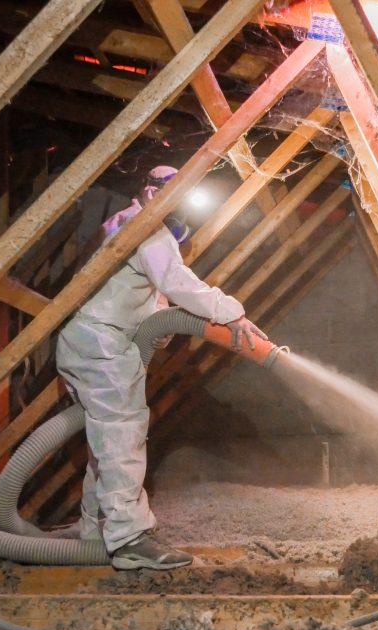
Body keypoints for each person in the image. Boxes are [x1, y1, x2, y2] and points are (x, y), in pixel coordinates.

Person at [56, 166, 267, 570]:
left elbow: (149, 294)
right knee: (122, 434)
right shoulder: (146, 228)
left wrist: (160, 317)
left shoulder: (122, 223)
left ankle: (96, 529)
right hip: (102, 344)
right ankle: (128, 540)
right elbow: (176, 279)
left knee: (105, 440)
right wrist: (231, 313)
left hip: (89, 340)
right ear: (152, 193)